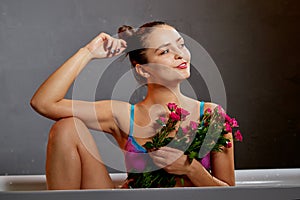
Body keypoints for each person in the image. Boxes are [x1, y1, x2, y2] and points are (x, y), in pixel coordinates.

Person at [30, 21, 235, 190]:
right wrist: (88, 52)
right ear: (144, 70)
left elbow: (231, 193)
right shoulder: (121, 115)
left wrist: (192, 170)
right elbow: (44, 103)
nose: (180, 54)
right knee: (66, 127)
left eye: (181, 45)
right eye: (164, 52)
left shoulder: (211, 114)